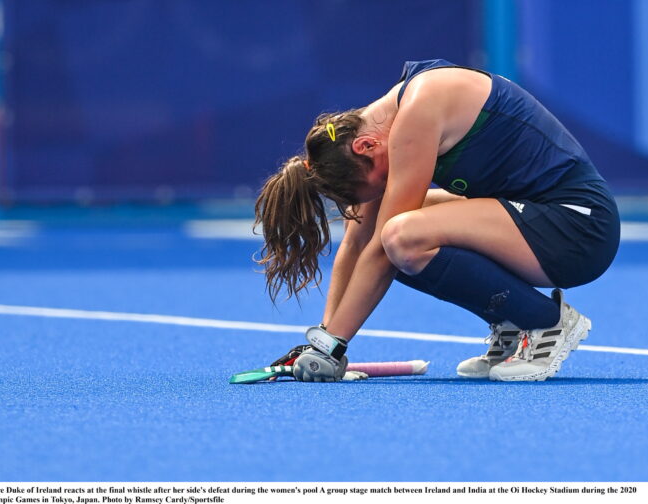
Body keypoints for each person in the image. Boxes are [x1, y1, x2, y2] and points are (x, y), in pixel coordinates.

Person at [254, 59, 620, 383]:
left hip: (579, 229)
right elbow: (357, 239)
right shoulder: (372, 129)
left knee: (402, 236)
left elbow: (382, 248)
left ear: (365, 147)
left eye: (377, 181)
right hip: (535, 218)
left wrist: (334, 345)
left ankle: (545, 321)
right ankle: (513, 321)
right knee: (379, 225)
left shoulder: (418, 110)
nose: (385, 184)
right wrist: (323, 339)